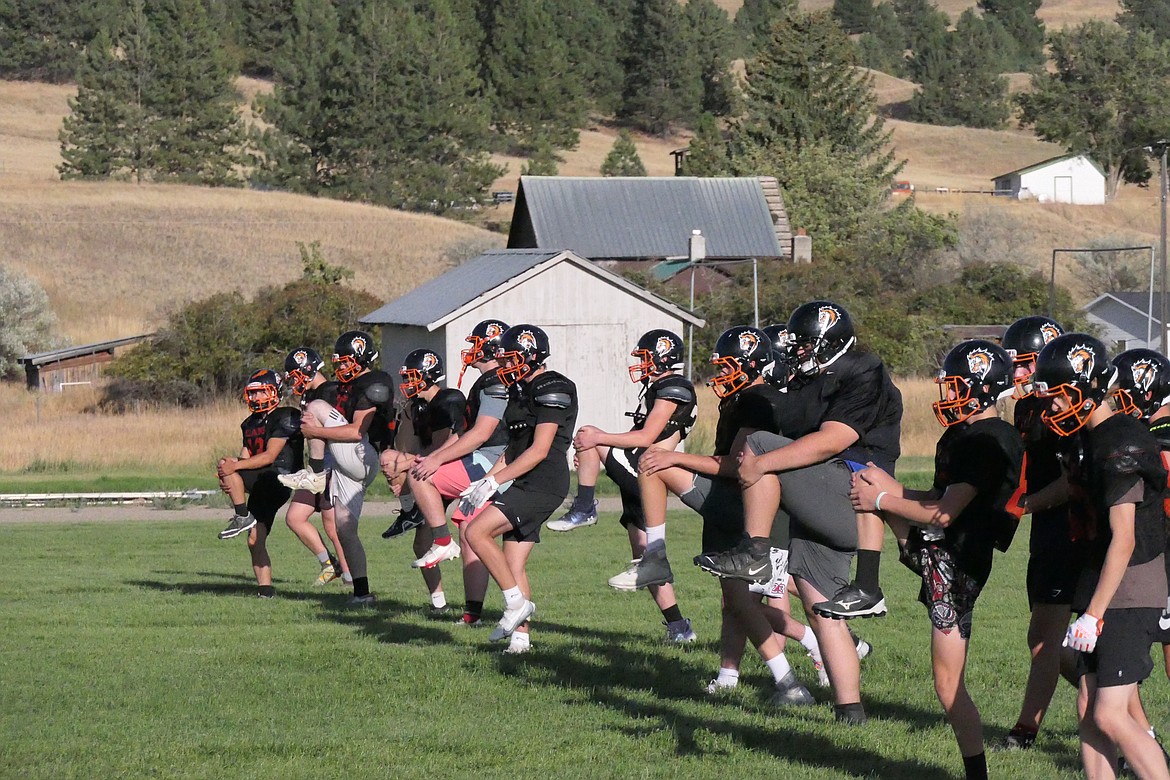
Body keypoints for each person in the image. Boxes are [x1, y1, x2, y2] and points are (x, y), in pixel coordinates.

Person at [852, 340, 1025, 780]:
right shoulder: (963, 434)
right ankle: (867, 585)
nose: (947, 395)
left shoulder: (991, 440)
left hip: (958, 562)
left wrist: (886, 497)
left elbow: (945, 512)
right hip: (940, 547)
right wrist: (889, 491)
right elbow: (935, 497)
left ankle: (977, 774)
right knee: (865, 478)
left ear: (983, 389)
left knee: (948, 686)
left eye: (956, 387)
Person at [635, 326, 819, 709]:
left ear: (752, 364)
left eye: (728, 365)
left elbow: (739, 465)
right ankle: (736, 675)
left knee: (743, 597)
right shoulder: (742, 398)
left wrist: (676, 457)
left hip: (751, 509)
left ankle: (790, 680)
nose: (719, 374)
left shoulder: (758, 401)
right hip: (734, 503)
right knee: (733, 599)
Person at [696, 301, 903, 627]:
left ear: (828, 343)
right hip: (827, 490)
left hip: (854, 490)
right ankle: (856, 607)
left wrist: (760, 462)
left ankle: (757, 554)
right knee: (820, 613)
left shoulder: (862, 369)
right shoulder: (811, 381)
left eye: (805, 345)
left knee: (761, 446)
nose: (798, 353)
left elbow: (832, 440)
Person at [1031, 334, 1170, 780]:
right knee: (1089, 707)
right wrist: (1021, 505)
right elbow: (1072, 491)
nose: (1052, 408)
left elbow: (1125, 539)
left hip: (1129, 584)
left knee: (1110, 713)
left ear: (1087, 388)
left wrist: (1093, 614)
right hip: (1100, 578)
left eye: (1059, 397)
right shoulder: (1086, 439)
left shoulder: (1122, 441)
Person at [557, 329, 699, 643]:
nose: (641, 364)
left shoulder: (672, 387)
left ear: (663, 357)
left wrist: (597, 442)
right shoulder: (660, 388)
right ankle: (679, 628)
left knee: (589, 432)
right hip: (640, 468)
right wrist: (594, 454)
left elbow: (646, 439)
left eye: (646, 358)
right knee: (647, 561)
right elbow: (635, 437)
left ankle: (584, 507)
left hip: (646, 471)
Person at [459, 324, 578, 654]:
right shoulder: (520, 390)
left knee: (476, 532)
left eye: (511, 359)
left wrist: (497, 480)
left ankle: (515, 604)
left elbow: (539, 449)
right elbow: (514, 447)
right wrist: (485, 481)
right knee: (512, 564)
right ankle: (521, 640)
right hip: (527, 479)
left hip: (544, 481)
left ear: (530, 356)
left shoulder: (553, 385)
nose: (505, 366)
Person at [996, 315, 1077, 752]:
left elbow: (1072, 482)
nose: (1019, 374)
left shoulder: (1071, 408)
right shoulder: (1028, 406)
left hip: (1073, 530)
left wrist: (1025, 504)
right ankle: (1106, 694)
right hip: (1048, 531)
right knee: (1044, 637)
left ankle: (1026, 730)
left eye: (1026, 364)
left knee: (1045, 636)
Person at [408, 319, 511, 627]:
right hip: (485, 454)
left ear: (490, 347)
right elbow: (462, 432)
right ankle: (473, 616)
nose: (471, 350)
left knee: (418, 476)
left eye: (477, 343)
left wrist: (435, 463)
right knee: (469, 532)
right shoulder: (485, 381)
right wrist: (436, 457)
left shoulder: (496, 380)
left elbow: (481, 434)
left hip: (495, 458)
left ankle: (441, 540)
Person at [293, 330, 395, 605]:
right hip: (347, 461)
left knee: (315, 407)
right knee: (344, 528)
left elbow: (354, 432)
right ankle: (361, 592)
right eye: (339, 362)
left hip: (363, 453)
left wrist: (317, 431)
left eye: (347, 361)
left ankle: (314, 474)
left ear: (362, 359)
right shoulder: (346, 387)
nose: (340, 367)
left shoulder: (374, 381)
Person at [382, 347, 468, 614]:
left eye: (412, 377)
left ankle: (475, 607)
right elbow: (406, 445)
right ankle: (439, 604)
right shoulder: (416, 406)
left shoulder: (448, 400)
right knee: (421, 543)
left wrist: (406, 463)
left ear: (429, 375)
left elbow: (443, 448)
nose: (407, 383)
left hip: (457, 466)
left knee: (471, 537)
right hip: (432, 468)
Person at [216, 369, 303, 599]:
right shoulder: (249, 423)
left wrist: (234, 469)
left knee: (231, 465)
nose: (256, 399)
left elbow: (269, 457)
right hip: (260, 480)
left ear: (274, 392)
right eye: (252, 394)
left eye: (261, 393)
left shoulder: (285, 416)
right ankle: (265, 591)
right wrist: (230, 478)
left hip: (278, 477)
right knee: (255, 539)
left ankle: (241, 515)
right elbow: (244, 458)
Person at [279, 347, 349, 588]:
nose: (293, 380)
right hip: (316, 466)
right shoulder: (309, 394)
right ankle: (330, 564)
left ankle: (352, 579)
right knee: (295, 517)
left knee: (332, 524)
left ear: (307, 369)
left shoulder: (329, 391)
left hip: (332, 463)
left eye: (295, 374)